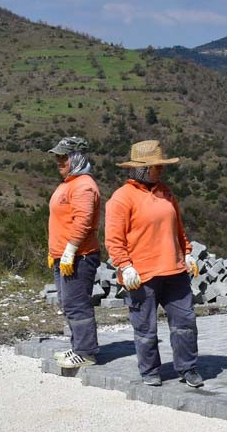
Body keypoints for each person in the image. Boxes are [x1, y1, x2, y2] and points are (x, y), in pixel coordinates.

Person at [104, 140, 204, 388]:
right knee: (145, 327)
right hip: (141, 274)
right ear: (140, 169)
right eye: (155, 166)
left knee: (185, 323)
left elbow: (178, 229)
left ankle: (187, 368)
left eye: (160, 166)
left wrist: (187, 252)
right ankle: (150, 370)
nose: (160, 170)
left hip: (175, 270)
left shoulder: (167, 193)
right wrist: (124, 265)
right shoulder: (121, 198)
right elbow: (114, 239)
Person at [46, 136, 101, 369]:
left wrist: (70, 250)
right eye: (58, 157)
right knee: (68, 303)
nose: (59, 161)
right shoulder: (68, 183)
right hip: (64, 256)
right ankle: (78, 346)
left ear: (76, 158)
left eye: (64, 157)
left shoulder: (84, 185)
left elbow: (83, 221)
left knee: (77, 304)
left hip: (79, 257)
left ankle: (86, 352)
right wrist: (55, 251)